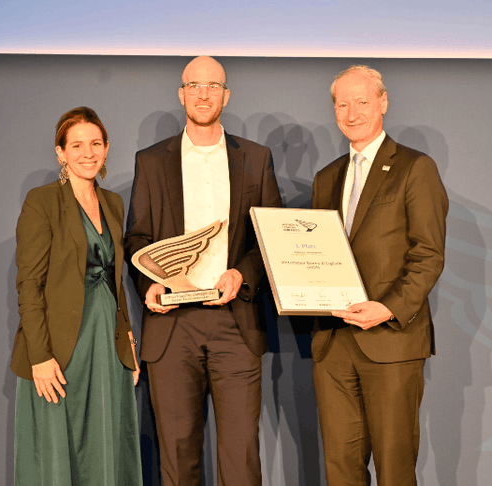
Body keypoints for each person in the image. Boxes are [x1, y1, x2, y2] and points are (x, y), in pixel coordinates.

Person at [124, 56, 282, 486]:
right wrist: (149, 284)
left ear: (226, 96)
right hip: (173, 326)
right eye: (194, 85)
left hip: (236, 323)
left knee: (240, 459)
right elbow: (137, 238)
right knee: (177, 459)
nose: (203, 94)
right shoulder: (151, 161)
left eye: (213, 86)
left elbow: (270, 238)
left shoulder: (256, 158)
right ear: (181, 94)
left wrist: (242, 274)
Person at [311, 65, 449, 486]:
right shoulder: (326, 177)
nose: (352, 114)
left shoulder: (415, 167)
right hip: (333, 343)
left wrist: (387, 309)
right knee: (340, 470)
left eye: (362, 102)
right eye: (342, 104)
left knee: (394, 469)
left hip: (391, 340)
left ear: (383, 103)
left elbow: (428, 255)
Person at [11, 107, 143, 486]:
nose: (88, 153)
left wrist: (128, 339)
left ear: (106, 149)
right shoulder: (42, 201)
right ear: (61, 153)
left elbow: (115, 279)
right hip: (60, 347)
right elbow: (29, 284)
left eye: (96, 144)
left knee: (107, 446)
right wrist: (40, 356)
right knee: (61, 450)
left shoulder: (113, 203)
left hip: (108, 345)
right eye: (77, 145)